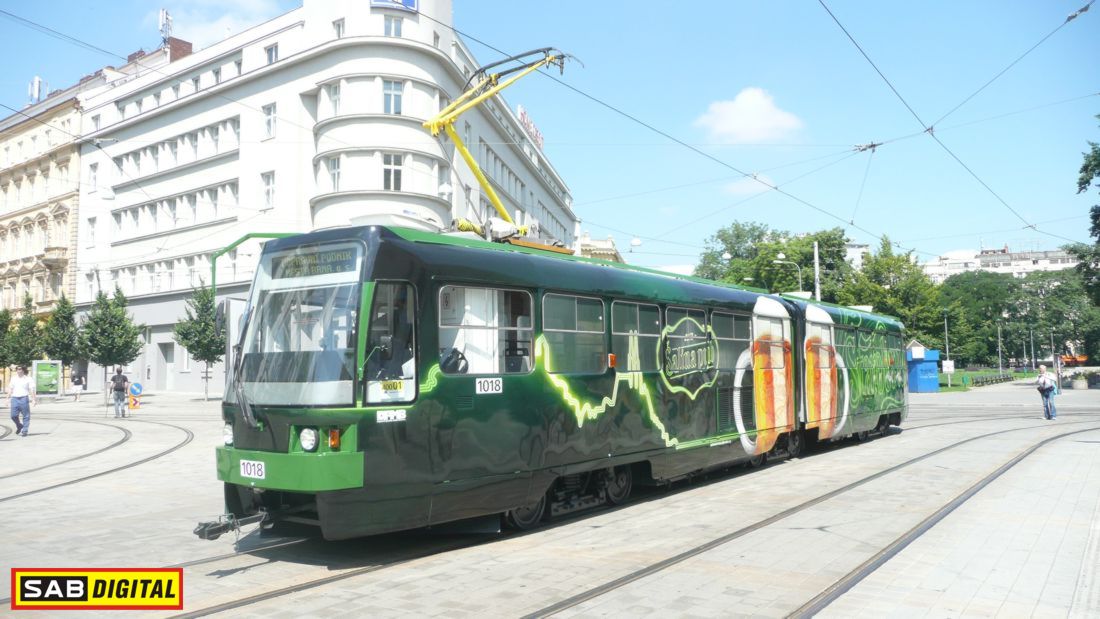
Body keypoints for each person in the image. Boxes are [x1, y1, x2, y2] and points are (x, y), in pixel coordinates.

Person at [8, 366, 36, 437]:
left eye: (19, 369)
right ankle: (19, 426)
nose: (18, 370)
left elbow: (31, 389)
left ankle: (25, 430)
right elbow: (10, 388)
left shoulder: (28, 379)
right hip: (14, 398)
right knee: (13, 416)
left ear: (23, 370)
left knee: (26, 415)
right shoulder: (13, 378)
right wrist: (7, 399)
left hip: (24, 398)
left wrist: (33, 399)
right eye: (17, 369)